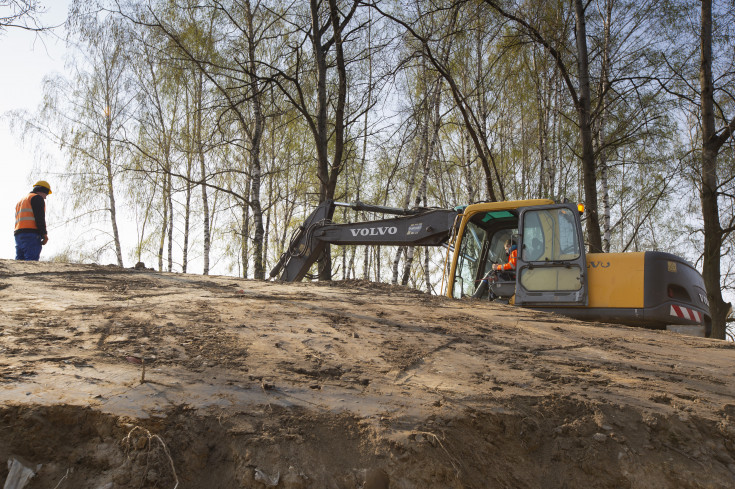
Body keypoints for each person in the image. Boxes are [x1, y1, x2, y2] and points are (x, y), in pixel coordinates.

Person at [14, 181, 52, 261]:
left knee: (19, 262)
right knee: (31, 261)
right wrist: (44, 234)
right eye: (46, 194)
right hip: (31, 235)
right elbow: (40, 218)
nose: (45, 197)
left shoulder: (21, 201)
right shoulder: (37, 198)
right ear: (42, 191)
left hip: (18, 235)